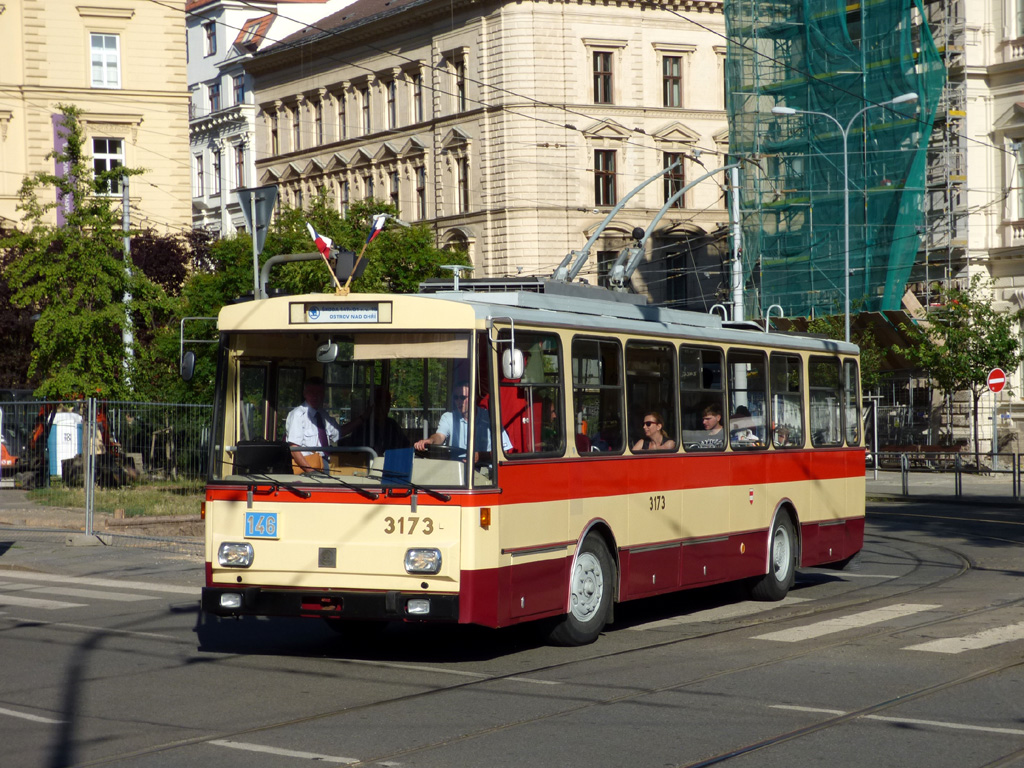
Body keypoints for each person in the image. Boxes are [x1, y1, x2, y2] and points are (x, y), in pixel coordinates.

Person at [414, 382, 513, 459]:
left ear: (473, 398)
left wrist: (480, 456)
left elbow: (504, 451)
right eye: (456, 398)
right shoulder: (448, 417)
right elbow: (440, 436)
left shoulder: (489, 418)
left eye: (462, 397)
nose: (459, 401)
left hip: (485, 471)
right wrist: (430, 441)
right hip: (457, 471)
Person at [286, 376, 340, 473]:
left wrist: (362, 418)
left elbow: (339, 432)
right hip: (306, 467)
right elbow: (294, 448)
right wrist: (310, 471)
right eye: (311, 392)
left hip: (324, 463)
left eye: (319, 393)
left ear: (323, 395)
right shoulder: (298, 415)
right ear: (305, 394)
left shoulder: (323, 414)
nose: (315, 396)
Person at [339, 384, 410, 454]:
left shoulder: (393, 426)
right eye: (378, 405)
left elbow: (405, 446)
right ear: (371, 406)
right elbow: (354, 449)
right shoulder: (363, 427)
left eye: (385, 405)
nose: (381, 409)